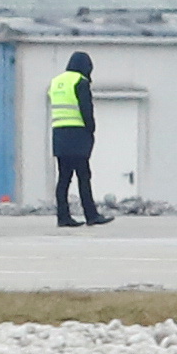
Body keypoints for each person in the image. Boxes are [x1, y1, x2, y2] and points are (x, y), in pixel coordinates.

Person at [51, 50, 113, 227]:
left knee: (64, 179)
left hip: (59, 135)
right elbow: (86, 109)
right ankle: (91, 215)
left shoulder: (57, 82)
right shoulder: (80, 82)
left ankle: (63, 217)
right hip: (77, 136)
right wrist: (91, 130)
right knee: (84, 177)